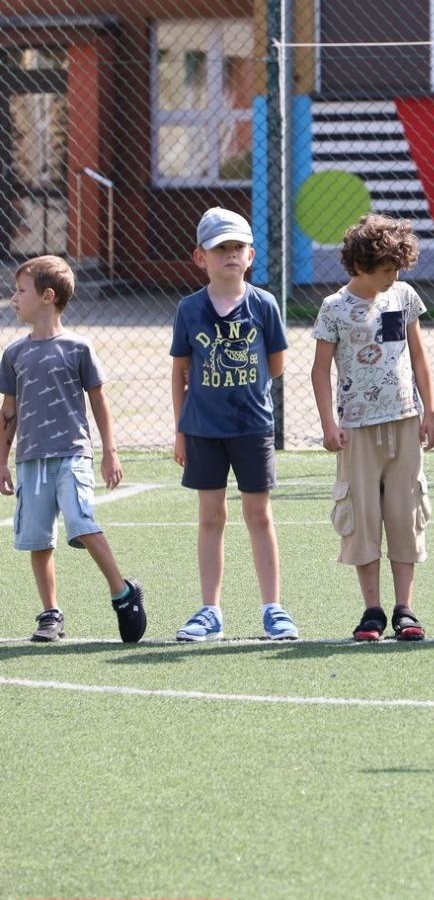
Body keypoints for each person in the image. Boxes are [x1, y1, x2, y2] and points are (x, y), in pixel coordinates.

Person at [0, 256, 145, 643]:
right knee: (37, 539)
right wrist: (2, 461)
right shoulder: (13, 354)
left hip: (73, 455)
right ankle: (50, 614)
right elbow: (9, 411)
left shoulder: (78, 348)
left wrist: (110, 451)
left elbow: (99, 401)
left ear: (47, 297)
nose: (14, 298)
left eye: (21, 290)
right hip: (31, 461)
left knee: (82, 523)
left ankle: (122, 592)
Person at [169, 208, 297, 642]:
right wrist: (180, 430)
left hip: (252, 427)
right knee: (211, 516)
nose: (229, 254)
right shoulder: (189, 309)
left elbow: (275, 364)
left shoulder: (264, 305)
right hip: (203, 430)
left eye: (237, 247)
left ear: (250, 255)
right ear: (200, 257)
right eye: (219, 247)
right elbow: (180, 371)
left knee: (258, 514)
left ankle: (273, 609)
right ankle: (210, 611)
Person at [311, 215, 434, 642]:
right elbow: (320, 369)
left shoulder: (403, 297)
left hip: (404, 422)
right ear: (360, 265)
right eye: (386, 269)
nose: (393, 277)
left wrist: (429, 411)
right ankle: (372, 611)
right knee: (362, 517)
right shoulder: (334, 308)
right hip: (357, 430)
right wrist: (328, 424)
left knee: (405, 514)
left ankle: (405, 608)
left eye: (397, 268)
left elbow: (418, 357)